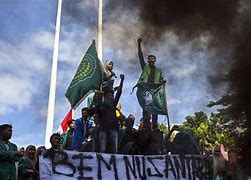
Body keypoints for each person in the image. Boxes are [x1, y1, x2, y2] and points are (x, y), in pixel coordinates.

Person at [137, 38, 166, 130]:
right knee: (146, 108)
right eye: (149, 58)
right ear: (148, 60)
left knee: (155, 109)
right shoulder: (145, 67)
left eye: (152, 58)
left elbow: (161, 81)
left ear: (155, 60)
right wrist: (139, 44)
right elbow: (140, 56)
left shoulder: (158, 71)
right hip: (146, 90)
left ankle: (155, 126)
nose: (150, 59)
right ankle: (146, 126)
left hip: (155, 91)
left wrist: (163, 82)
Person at [96, 74, 124, 153]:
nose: (111, 97)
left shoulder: (113, 104)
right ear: (105, 97)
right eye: (109, 95)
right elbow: (92, 109)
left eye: (111, 95)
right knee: (102, 149)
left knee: (115, 149)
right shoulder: (100, 104)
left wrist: (122, 81)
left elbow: (119, 92)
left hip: (113, 129)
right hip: (103, 129)